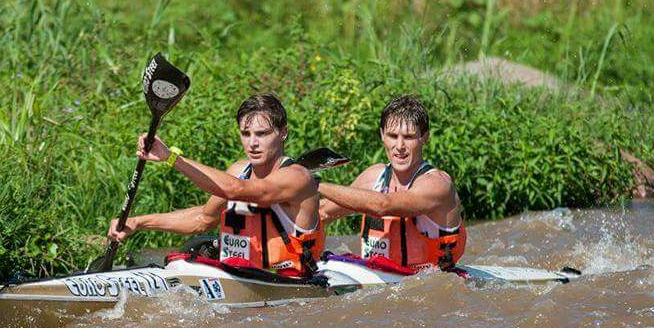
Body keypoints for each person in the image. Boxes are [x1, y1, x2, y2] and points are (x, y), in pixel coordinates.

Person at [108, 94, 324, 276]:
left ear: (283, 133)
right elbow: (203, 219)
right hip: (238, 277)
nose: (253, 143)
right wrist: (139, 222)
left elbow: (237, 190)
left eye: (262, 134)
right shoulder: (239, 172)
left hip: (291, 288)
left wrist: (172, 159)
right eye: (245, 134)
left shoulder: (297, 177)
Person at [318, 95, 466, 270]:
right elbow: (323, 213)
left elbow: (383, 205)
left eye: (409, 137)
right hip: (376, 280)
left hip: (429, 282)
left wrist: (315, 184)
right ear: (382, 135)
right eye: (393, 136)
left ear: (425, 137)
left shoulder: (437, 184)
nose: (400, 146)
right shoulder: (373, 178)